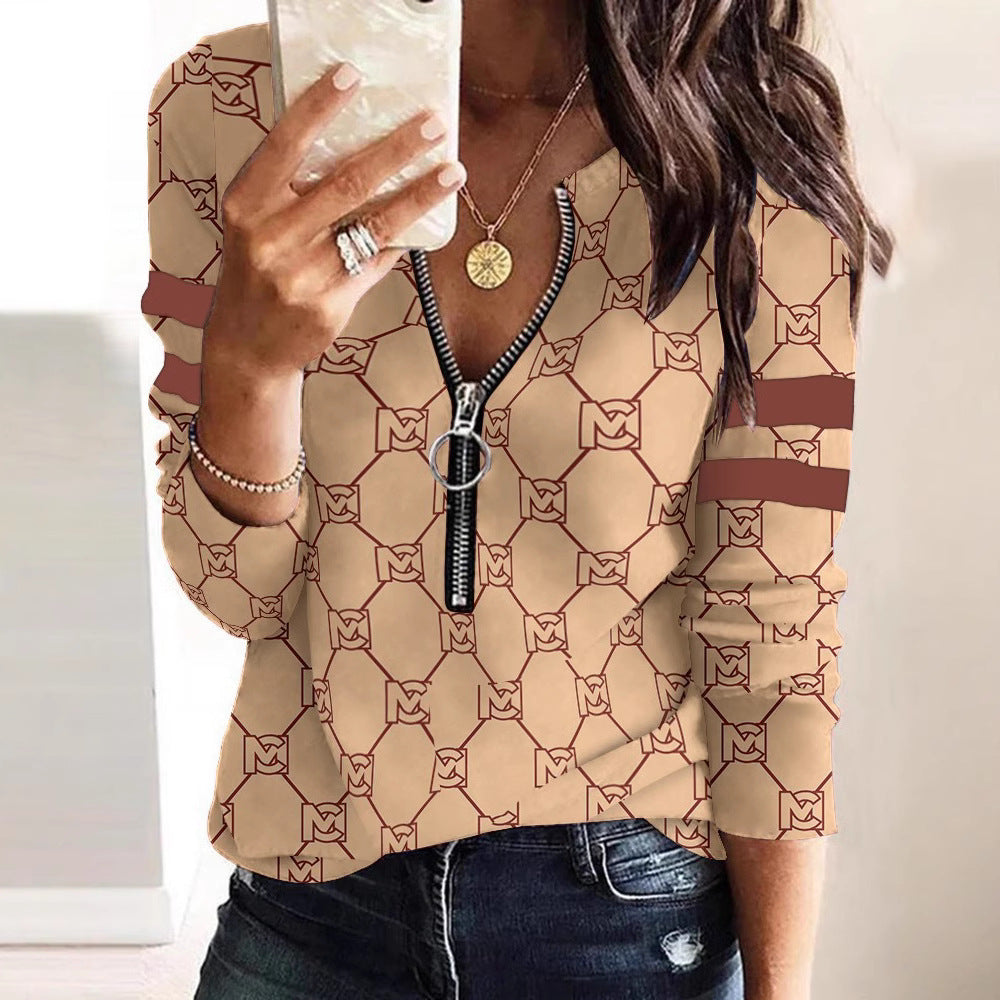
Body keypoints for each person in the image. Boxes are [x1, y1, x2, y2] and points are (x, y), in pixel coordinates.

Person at [142, 2, 893, 998]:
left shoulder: (757, 144)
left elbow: (774, 619)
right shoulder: (228, 107)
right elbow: (235, 590)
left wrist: (781, 988)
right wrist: (251, 371)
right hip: (313, 895)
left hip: (630, 911)